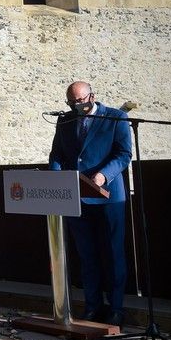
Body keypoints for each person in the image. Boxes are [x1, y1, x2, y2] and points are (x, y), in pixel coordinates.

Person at [49, 80, 132, 327]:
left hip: (108, 196)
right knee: (87, 255)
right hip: (75, 196)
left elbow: (123, 154)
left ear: (92, 97)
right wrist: (57, 176)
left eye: (80, 101)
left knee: (113, 253)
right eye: (71, 102)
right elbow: (57, 154)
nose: (76, 106)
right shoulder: (64, 120)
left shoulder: (116, 118)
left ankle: (116, 308)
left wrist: (103, 175)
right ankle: (93, 306)